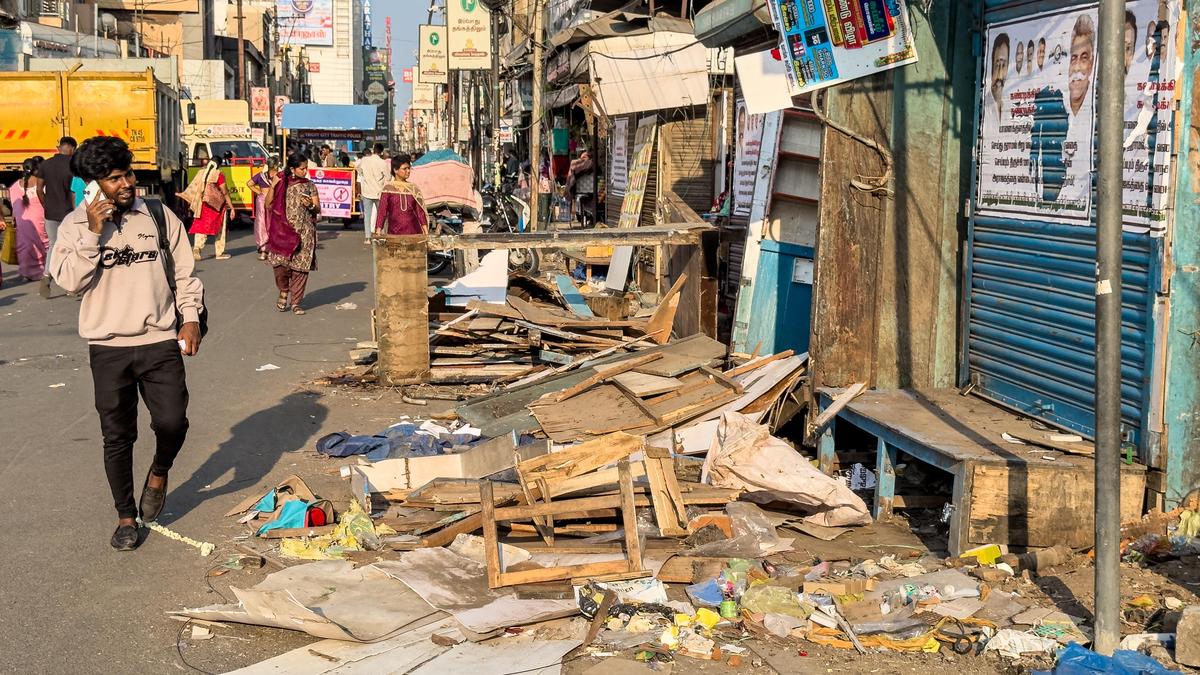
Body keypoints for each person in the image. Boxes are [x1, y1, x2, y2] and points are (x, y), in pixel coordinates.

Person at [49, 136, 204, 551]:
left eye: (128, 174)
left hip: (160, 340)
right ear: (92, 185)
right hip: (107, 347)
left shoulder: (157, 214)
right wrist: (92, 233)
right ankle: (125, 517)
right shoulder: (74, 226)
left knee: (173, 422)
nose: (127, 183)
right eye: (115, 178)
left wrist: (190, 318)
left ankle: (159, 471)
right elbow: (69, 282)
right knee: (117, 436)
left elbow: (185, 272)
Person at [264, 153, 320, 315]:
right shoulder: (282, 182)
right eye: (302, 169)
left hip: (304, 232)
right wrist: (273, 186)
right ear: (293, 169)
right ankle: (284, 290)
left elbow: (317, 208)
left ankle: (296, 302)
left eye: (306, 168)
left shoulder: (310, 185)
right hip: (282, 231)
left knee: (300, 269)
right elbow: (268, 204)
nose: (305, 171)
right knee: (280, 267)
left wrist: (310, 205)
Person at [36, 136, 77, 297]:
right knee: (71, 247)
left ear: (59, 147)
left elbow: (39, 189)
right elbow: (74, 192)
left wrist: (46, 205)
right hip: (69, 213)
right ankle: (69, 286)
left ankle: (46, 276)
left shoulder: (45, 164)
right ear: (72, 148)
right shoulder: (74, 166)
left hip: (50, 213)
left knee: (53, 245)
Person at [182, 159, 233, 261]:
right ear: (219, 165)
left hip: (202, 205)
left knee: (201, 227)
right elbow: (224, 191)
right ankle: (219, 253)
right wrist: (231, 207)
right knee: (220, 228)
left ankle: (197, 248)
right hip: (217, 206)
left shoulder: (201, 173)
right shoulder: (218, 174)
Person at [10, 156, 49, 282]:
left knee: (24, 246)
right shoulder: (42, 184)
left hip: (22, 225)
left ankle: (26, 272)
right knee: (45, 244)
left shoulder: (15, 186)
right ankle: (45, 271)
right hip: (40, 223)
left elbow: (14, 205)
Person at [375, 154, 428, 235]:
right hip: (394, 234)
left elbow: (420, 211)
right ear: (395, 170)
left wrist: (425, 230)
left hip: (414, 233)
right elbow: (382, 211)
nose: (408, 171)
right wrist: (378, 230)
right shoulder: (388, 189)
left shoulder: (413, 189)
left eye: (409, 168)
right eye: (405, 169)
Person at [355, 143, 390, 242]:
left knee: (367, 215)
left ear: (373, 150)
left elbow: (358, 170)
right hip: (379, 192)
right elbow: (388, 177)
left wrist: (365, 176)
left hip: (366, 191)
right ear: (381, 152)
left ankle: (367, 237)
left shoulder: (364, 160)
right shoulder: (382, 163)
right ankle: (381, 234)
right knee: (382, 214)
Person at [248, 159, 279, 260]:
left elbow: (249, 183)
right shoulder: (279, 176)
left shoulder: (261, 175)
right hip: (274, 200)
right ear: (276, 165)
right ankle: (273, 250)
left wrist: (259, 192)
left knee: (262, 224)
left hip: (262, 199)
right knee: (274, 223)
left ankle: (263, 251)